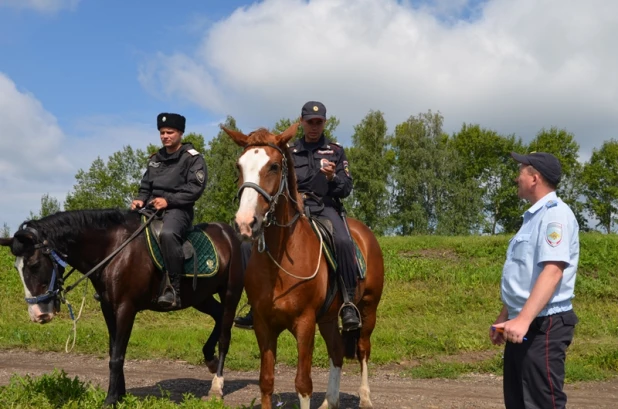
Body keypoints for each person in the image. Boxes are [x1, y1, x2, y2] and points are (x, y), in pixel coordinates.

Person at [234, 101, 360, 331]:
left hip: (325, 208)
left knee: (342, 240)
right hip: (293, 209)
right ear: (301, 122)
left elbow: (347, 188)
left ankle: (349, 302)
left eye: (318, 122)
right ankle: (255, 304)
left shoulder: (335, 151)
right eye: (309, 122)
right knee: (247, 244)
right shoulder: (288, 151)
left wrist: (333, 179)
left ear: (324, 122)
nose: (314, 126)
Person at [491, 152, 579, 409]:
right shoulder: (533, 218)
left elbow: (553, 271)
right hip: (525, 322)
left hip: (544, 326)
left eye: (521, 171)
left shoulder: (555, 215)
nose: (516, 177)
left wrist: (524, 319)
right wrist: (506, 314)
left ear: (534, 178)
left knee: (541, 404)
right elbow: (525, 275)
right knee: (518, 403)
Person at [131, 112, 207, 309]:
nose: (165, 136)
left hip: (179, 210)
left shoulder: (192, 158)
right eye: (162, 132)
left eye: (170, 132)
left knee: (167, 233)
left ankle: (174, 289)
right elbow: (145, 186)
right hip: (151, 208)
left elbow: (195, 189)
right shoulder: (155, 159)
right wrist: (140, 200)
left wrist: (168, 201)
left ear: (180, 133)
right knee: (124, 228)